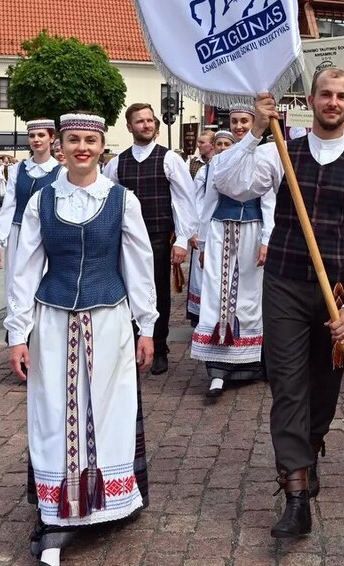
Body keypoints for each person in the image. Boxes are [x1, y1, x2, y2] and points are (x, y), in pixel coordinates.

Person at [212, 69, 344, 539]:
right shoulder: (280, 152)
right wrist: (255, 129)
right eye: (325, 95)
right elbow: (230, 183)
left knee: (324, 387)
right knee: (288, 385)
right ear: (311, 100)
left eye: (341, 96)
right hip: (284, 285)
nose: (332, 102)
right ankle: (295, 493)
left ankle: (311, 450)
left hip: (336, 293)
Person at [4, 112, 156, 566]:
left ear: (101, 145)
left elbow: (138, 261)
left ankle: (107, 499)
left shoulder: (121, 199)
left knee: (108, 407)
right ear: (61, 146)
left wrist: (146, 325)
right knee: (53, 410)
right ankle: (56, 512)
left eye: (90, 140)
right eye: (74, 140)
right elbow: (24, 266)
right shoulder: (43, 200)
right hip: (52, 320)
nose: (81, 148)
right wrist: (16, 332)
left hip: (109, 318)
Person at [103, 103, 197, 376]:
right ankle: (133, 343)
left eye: (149, 120)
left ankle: (159, 346)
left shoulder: (169, 159)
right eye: (139, 121)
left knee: (157, 293)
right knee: (128, 290)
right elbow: (109, 201)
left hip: (158, 236)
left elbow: (184, 201)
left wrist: (181, 239)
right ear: (129, 126)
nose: (146, 125)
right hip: (128, 238)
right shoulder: (117, 163)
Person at [190, 107, 273, 399]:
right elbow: (208, 202)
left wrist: (266, 239)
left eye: (244, 122)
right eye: (235, 122)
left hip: (252, 231)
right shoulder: (219, 160)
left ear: (254, 124)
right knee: (217, 293)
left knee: (250, 296)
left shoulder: (264, 156)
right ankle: (217, 370)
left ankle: (251, 364)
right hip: (219, 230)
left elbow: (270, 201)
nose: (239, 127)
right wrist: (201, 243)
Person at [0, 120, 62, 296]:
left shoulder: (60, 172)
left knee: (42, 280)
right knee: (15, 282)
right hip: (18, 232)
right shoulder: (18, 169)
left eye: (41, 135)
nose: (36, 139)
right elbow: (8, 207)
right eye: (32, 136)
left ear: (52, 138)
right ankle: (18, 322)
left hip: (45, 235)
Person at [186, 131, 221, 328]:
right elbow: (196, 201)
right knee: (203, 272)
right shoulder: (204, 171)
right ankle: (202, 316)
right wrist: (194, 229)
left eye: (227, 144)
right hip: (205, 226)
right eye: (220, 144)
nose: (223, 148)